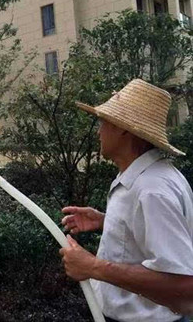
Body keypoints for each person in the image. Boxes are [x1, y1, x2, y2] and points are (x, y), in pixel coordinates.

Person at [58, 79, 193, 322]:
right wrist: (107, 221)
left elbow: (183, 285)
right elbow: (154, 235)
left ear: (122, 128)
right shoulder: (144, 177)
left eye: (103, 122)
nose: (99, 131)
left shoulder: (152, 190)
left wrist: (93, 267)